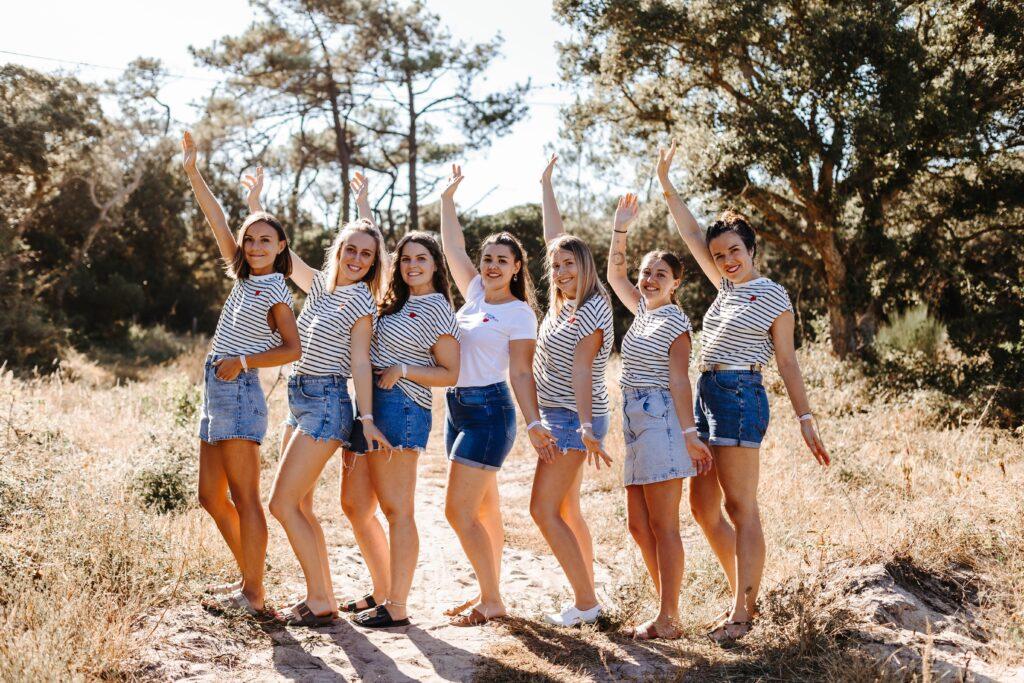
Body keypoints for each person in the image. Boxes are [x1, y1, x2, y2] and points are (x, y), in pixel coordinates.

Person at [656, 142, 831, 644]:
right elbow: (690, 233)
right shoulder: (726, 289)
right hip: (708, 393)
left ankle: (743, 613)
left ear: (752, 250)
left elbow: (788, 361)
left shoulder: (772, 293)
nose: (726, 260)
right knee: (702, 509)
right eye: (719, 256)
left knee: (740, 508)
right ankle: (747, 594)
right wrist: (667, 184)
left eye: (735, 251)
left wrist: (805, 418)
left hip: (740, 393)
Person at [243, 168, 391, 626]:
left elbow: (362, 363)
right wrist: (255, 204)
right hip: (299, 397)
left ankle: (321, 598)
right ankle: (321, 594)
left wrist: (365, 419)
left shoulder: (364, 303)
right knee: (299, 504)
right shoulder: (322, 286)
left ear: (372, 262)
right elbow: (279, 255)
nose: (358, 259)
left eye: (366, 255)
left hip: (328, 402)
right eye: (351, 250)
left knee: (282, 503)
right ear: (339, 251)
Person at [181, 131, 301, 616]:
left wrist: (245, 361)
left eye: (264, 240)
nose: (253, 246)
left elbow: (291, 348)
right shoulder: (245, 274)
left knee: (244, 496)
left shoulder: (276, 290)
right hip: (216, 388)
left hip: (240, 388)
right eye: (250, 240)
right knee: (209, 495)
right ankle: (251, 581)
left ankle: (253, 593)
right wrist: (193, 170)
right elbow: (217, 220)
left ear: (280, 246)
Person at [437, 164, 558, 626]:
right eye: (487, 258)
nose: (490, 265)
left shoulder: (520, 314)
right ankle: (490, 593)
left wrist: (532, 423)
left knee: (456, 511)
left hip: (490, 412)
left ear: (516, 267)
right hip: (457, 410)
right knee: (485, 512)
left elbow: (522, 374)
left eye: (500, 260)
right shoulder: (473, 292)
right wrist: (448, 201)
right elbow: (451, 246)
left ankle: (491, 599)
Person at [605, 193, 713, 640]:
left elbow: (680, 381)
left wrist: (689, 434)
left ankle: (670, 617)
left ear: (675, 284)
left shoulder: (674, 322)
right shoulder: (642, 311)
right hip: (633, 420)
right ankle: (665, 608)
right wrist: (620, 228)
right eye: (647, 272)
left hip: (664, 421)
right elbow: (614, 273)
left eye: (659, 275)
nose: (648, 280)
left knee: (664, 525)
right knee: (637, 523)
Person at [348, 231, 462, 629]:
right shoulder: (390, 303)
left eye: (422, 259)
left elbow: (451, 373)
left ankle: (397, 605)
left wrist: (404, 370)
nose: (413, 265)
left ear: (435, 266)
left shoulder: (438, 310)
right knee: (355, 505)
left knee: (397, 510)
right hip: (368, 408)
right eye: (406, 259)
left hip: (403, 408)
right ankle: (380, 591)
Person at [531, 154, 614, 627]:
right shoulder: (563, 302)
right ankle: (590, 595)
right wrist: (546, 184)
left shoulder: (592, 309)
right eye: (556, 265)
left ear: (584, 268)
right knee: (566, 508)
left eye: (569, 265)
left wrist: (583, 427)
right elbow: (554, 237)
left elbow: (584, 371)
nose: (560, 271)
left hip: (571, 418)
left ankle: (586, 604)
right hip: (560, 414)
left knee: (542, 509)